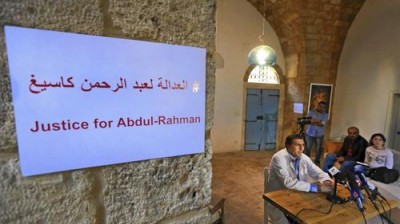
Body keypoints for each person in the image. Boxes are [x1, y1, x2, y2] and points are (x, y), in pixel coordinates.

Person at [266, 134, 333, 224]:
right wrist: (317, 188)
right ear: (288, 146)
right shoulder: (279, 158)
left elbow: (317, 171)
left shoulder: (303, 157)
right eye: (298, 145)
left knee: (313, 215)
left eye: (303, 145)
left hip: (296, 194)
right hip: (278, 197)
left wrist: (326, 180)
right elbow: (288, 182)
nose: (302, 148)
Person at [304, 101, 328, 166]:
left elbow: (322, 124)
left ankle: (317, 162)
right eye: (320, 106)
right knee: (307, 148)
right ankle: (306, 162)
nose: (321, 108)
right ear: (317, 106)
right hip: (309, 134)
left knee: (318, 149)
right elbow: (308, 121)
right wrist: (318, 121)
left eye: (323, 107)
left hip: (319, 134)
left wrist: (313, 121)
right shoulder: (311, 112)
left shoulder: (325, 115)